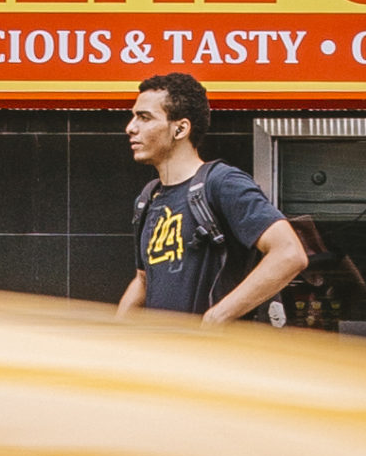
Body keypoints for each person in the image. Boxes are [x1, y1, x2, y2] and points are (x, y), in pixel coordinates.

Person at [116, 70, 309, 327]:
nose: (131, 127)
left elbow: (289, 253)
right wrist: (114, 338)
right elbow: (143, 280)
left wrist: (216, 317)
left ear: (180, 129)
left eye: (144, 117)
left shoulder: (222, 183)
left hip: (213, 360)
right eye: (133, 117)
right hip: (164, 360)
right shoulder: (148, 198)